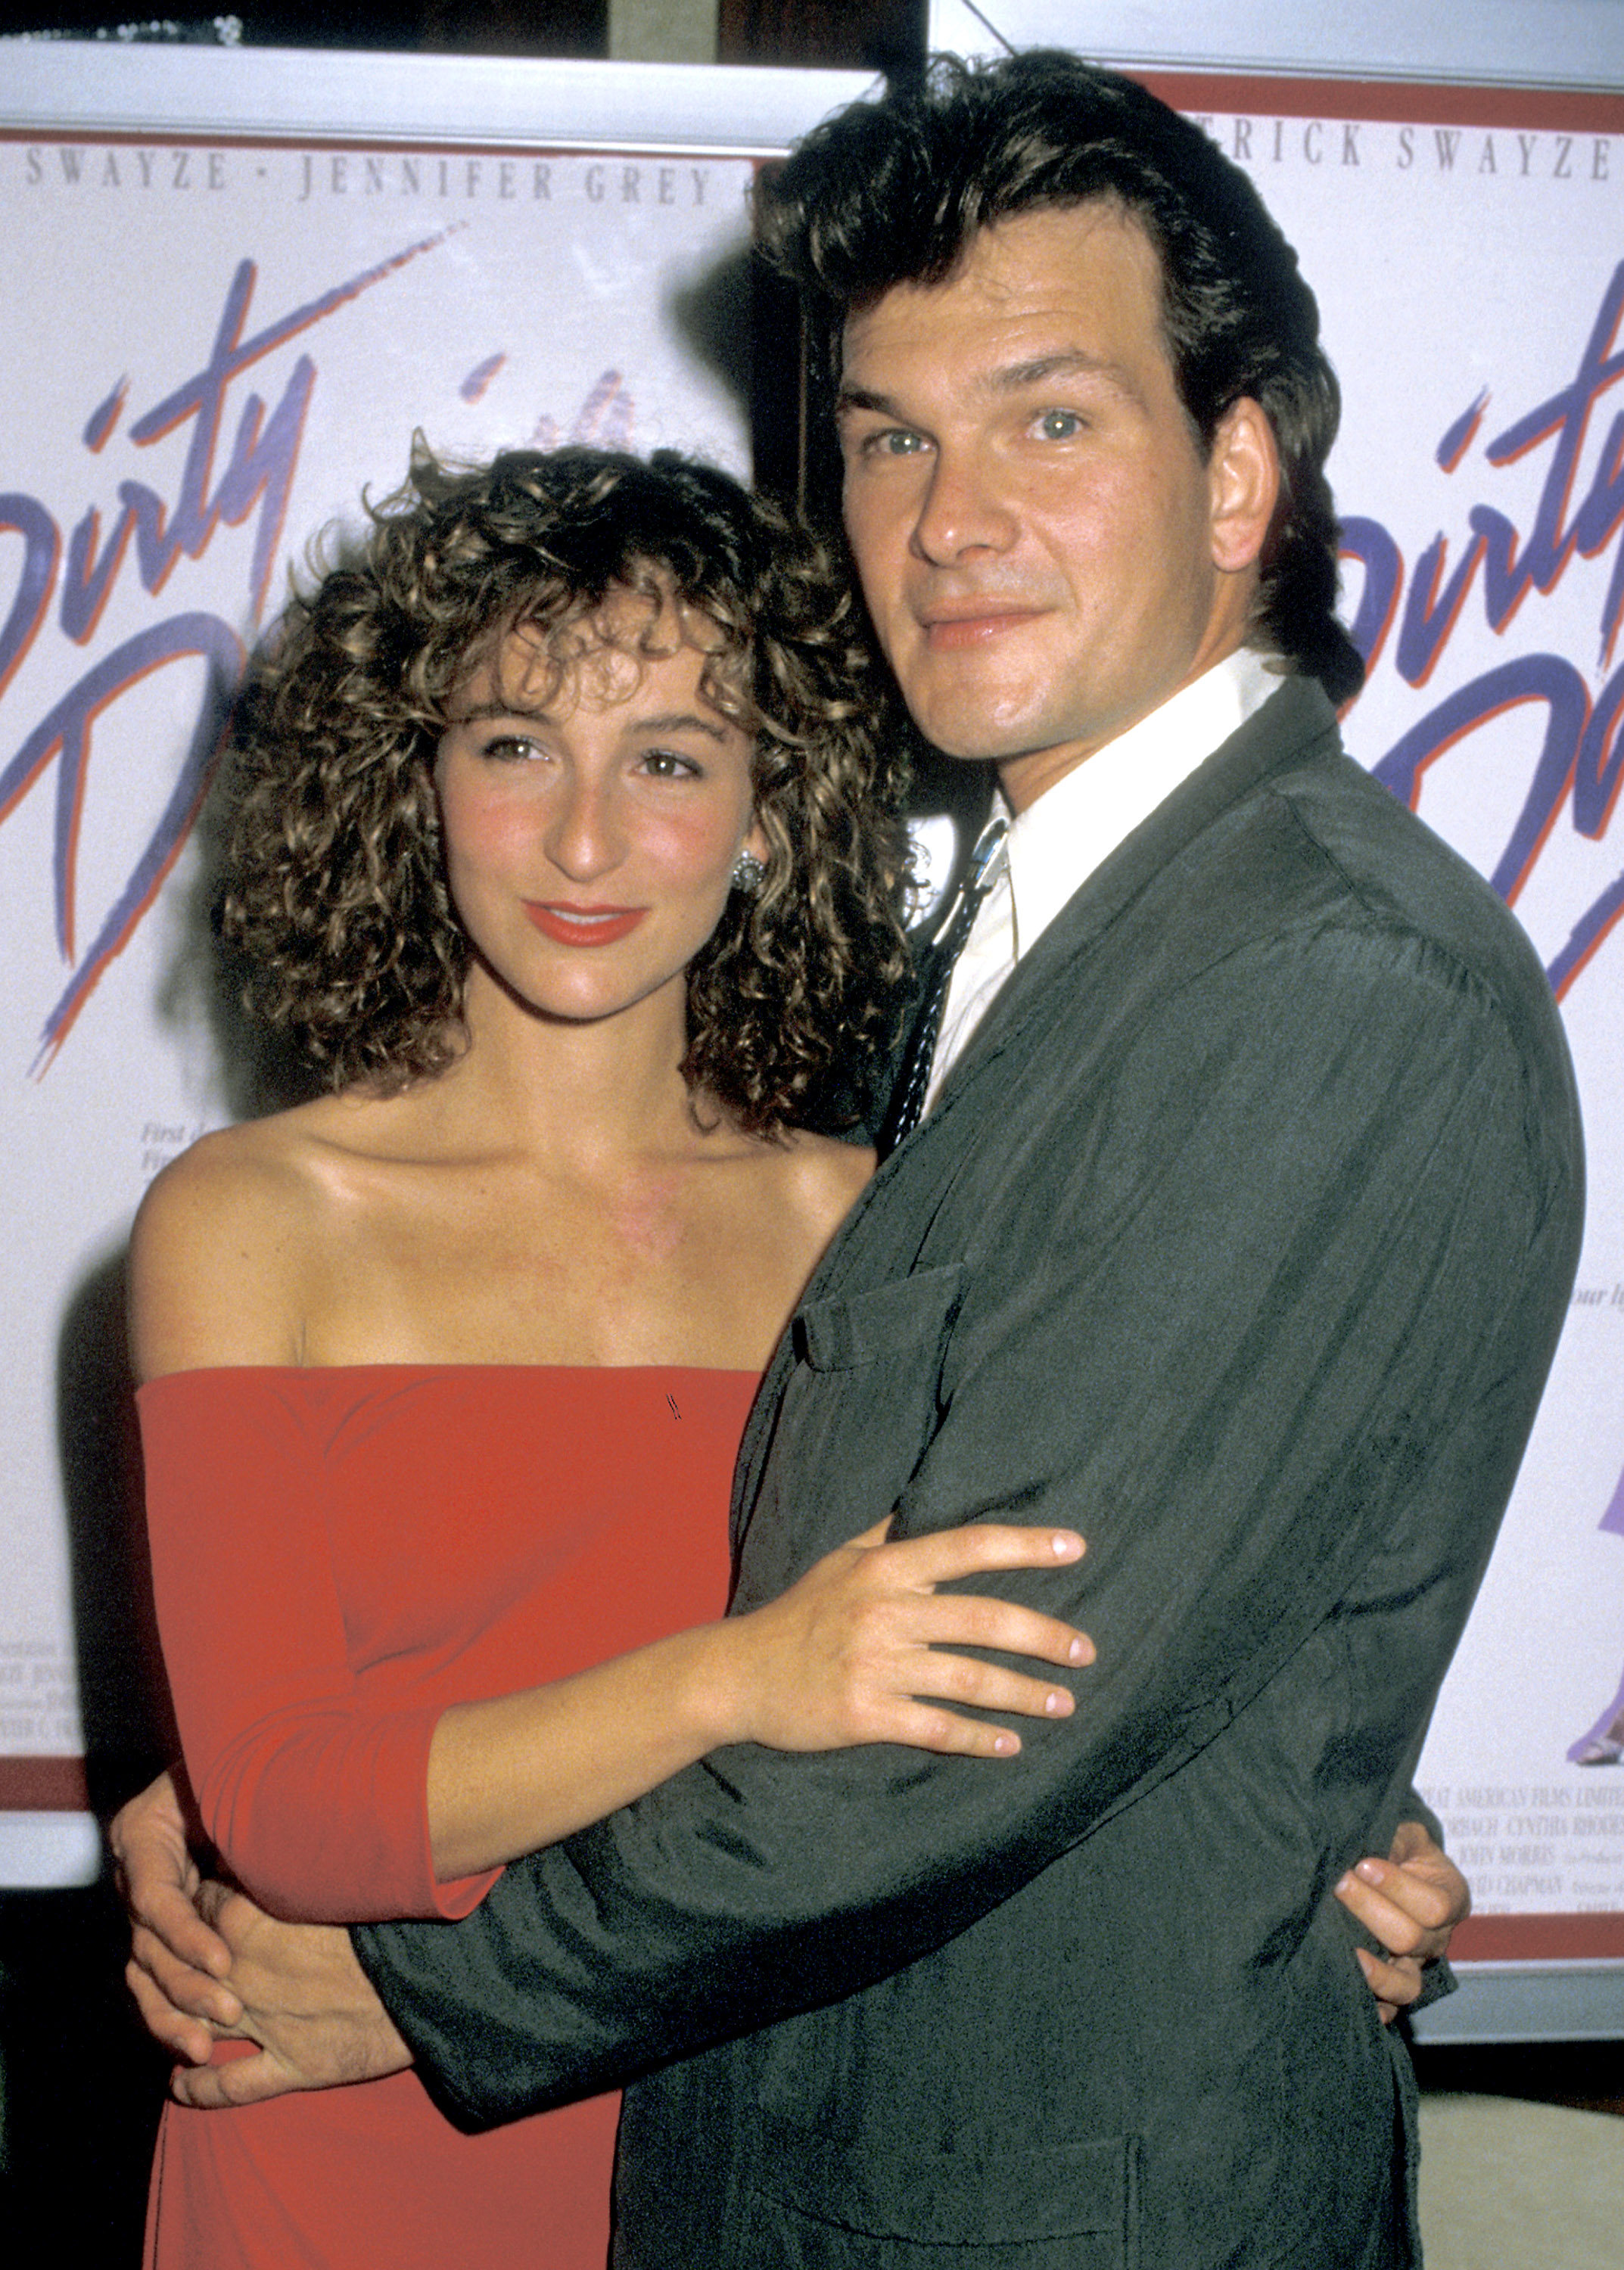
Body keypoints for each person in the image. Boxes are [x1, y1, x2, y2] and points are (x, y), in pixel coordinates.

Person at [113, 52, 1576, 2267]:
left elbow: (980, 1702)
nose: (952, 516)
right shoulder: (1010, 947)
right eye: (892, 435)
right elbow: (1003, 1569)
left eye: (1050, 419)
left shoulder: (1320, 977)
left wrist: (413, 1986)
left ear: (1238, 468)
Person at [124, 440, 1111, 2268]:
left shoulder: (867, 1220)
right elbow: (292, 1818)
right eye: (515, 745)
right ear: (412, 786)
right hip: (330, 2156)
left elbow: (1032, 1652)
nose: (586, 840)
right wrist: (737, 1679)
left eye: (666, 759)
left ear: (768, 811)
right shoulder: (252, 1219)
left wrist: (1334, 1844)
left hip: (751, 2133)